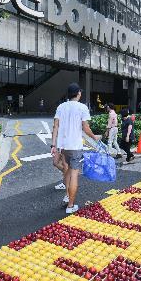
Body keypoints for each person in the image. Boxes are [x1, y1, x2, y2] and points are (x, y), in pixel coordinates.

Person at [51, 83, 99, 214]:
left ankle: (67, 196)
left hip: (63, 146)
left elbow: (55, 126)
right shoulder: (82, 107)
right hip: (75, 146)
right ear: (78, 93)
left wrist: (53, 145)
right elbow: (86, 128)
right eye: (80, 92)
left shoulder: (61, 106)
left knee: (66, 171)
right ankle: (70, 206)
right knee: (74, 175)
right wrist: (94, 137)